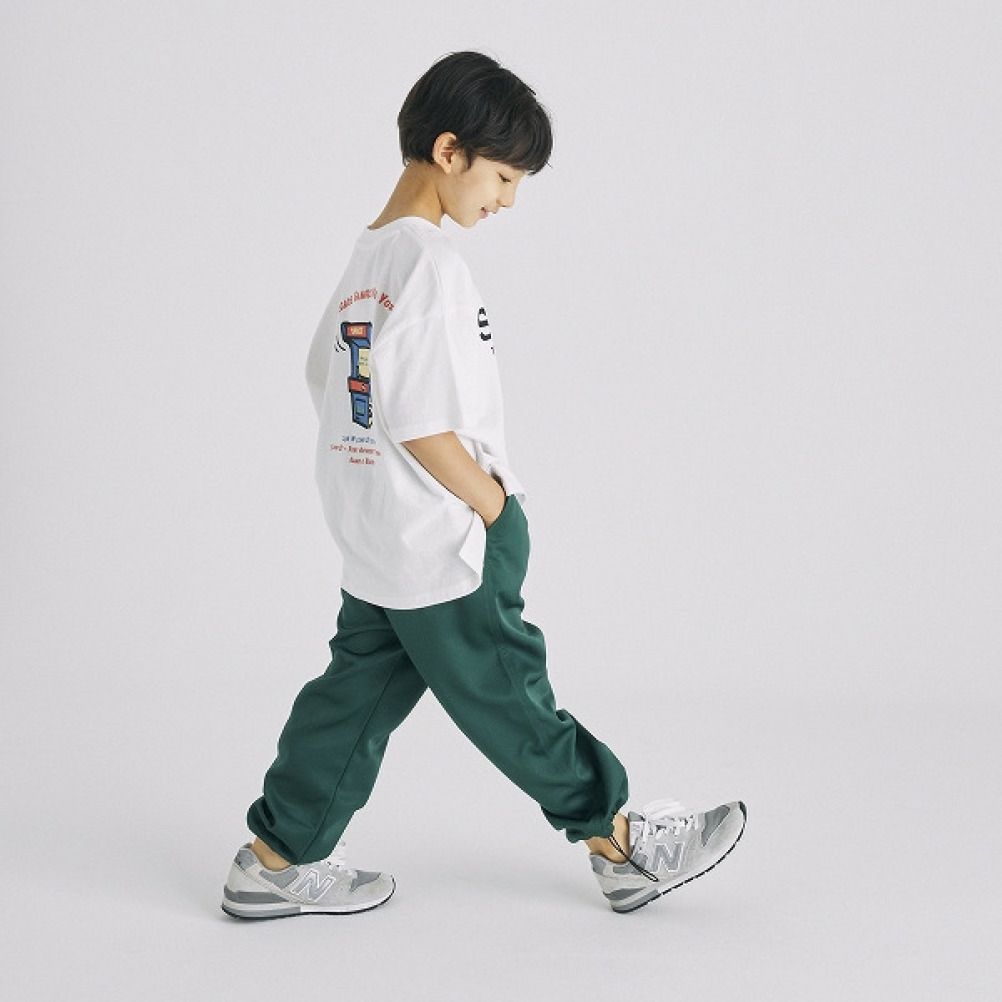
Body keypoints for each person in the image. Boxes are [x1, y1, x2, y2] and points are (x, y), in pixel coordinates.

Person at [220, 49, 746, 920]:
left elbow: (324, 377)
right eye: (503, 176)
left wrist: (372, 485)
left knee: (352, 699)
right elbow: (418, 418)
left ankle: (275, 860)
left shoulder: (368, 258)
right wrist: (495, 507)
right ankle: (620, 844)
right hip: (445, 537)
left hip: (378, 531)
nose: (508, 200)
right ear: (449, 150)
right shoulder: (432, 264)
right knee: (509, 691)